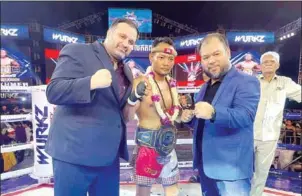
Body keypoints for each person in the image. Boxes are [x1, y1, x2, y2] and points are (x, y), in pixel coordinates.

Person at [45, 18, 139, 196]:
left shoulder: (126, 71)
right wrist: (90, 83)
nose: (126, 44)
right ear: (109, 34)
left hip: (108, 159)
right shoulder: (78, 51)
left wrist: (133, 102)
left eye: (131, 42)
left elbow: (118, 112)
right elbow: (53, 91)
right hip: (74, 155)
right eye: (122, 36)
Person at [191, 33, 260, 196]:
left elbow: (245, 116)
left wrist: (213, 112)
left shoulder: (247, 81)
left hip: (231, 171)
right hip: (205, 166)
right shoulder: (203, 88)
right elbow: (203, 122)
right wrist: (188, 118)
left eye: (216, 54)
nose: (211, 60)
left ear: (228, 52)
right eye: (206, 57)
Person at [128, 37, 193, 196]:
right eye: (161, 57)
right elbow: (127, 116)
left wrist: (184, 116)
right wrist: (133, 97)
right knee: (143, 192)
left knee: (172, 190)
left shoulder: (173, 84)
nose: (166, 63)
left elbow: (174, 118)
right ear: (151, 57)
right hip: (147, 147)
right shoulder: (140, 82)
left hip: (169, 147)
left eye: (170, 59)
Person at [251, 51, 301, 196]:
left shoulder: (285, 82)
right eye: (265, 61)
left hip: (269, 137)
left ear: (277, 65)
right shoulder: (251, 81)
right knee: (242, 170)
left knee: (261, 173)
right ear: (260, 65)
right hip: (248, 134)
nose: (268, 64)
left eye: (271, 61)